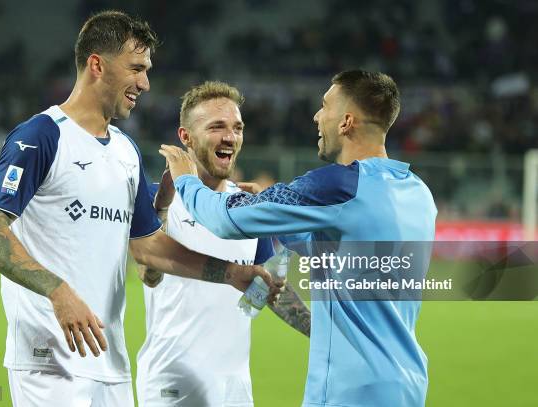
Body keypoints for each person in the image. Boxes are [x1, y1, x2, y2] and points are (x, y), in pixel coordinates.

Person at [0, 11, 275, 407]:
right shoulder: (41, 136)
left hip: (109, 361)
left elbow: (149, 248)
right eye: (136, 68)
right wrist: (59, 292)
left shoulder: (125, 152)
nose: (145, 83)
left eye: (146, 70)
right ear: (97, 64)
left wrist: (231, 273)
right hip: (49, 359)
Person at [160, 70, 438, 407]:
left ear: (346, 122)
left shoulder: (338, 185)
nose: (317, 116)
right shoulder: (417, 192)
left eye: (325, 106)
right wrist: (277, 215)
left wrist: (186, 180)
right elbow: (335, 249)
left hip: (351, 390)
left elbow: (224, 220)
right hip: (406, 381)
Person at [135, 81, 311, 407]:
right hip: (172, 380)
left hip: (234, 386)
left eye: (237, 128)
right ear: (185, 137)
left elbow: (264, 292)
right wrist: (161, 207)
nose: (230, 137)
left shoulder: (248, 207)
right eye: (217, 127)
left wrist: (322, 334)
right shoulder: (156, 196)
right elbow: (149, 274)